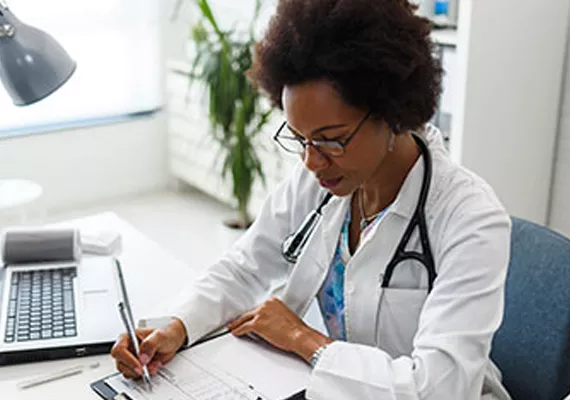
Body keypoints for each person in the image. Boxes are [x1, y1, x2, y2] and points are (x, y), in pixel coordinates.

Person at [111, 1, 513, 399]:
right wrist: (176, 327)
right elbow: (245, 267)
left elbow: (440, 387)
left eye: (331, 139)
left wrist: (303, 339)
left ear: (392, 112)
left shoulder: (469, 218)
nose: (310, 160)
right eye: (301, 138)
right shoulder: (320, 181)